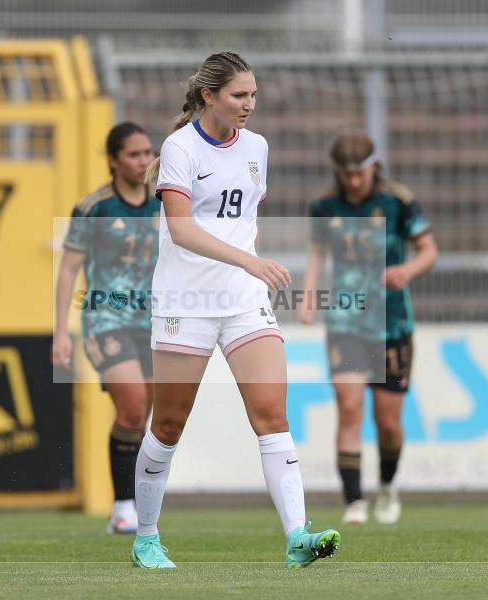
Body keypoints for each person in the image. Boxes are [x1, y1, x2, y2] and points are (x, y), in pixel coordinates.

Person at [130, 51, 341, 569]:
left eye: (253, 95)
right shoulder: (180, 148)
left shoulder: (257, 147)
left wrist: (250, 270)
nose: (249, 105)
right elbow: (181, 229)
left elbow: (242, 220)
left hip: (244, 301)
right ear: (209, 96)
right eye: (238, 96)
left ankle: (297, 536)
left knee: (271, 414)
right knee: (169, 425)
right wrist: (249, 260)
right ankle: (146, 537)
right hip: (187, 301)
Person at [299, 132, 438, 525]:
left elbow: (429, 250)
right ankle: (354, 502)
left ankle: (388, 487)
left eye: (359, 173)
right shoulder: (324, 206)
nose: (354, 181)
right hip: (346, 321)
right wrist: (309, 295)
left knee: (388, 422)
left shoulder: (398, 201)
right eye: (346, 174)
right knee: (348, 408)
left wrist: (407, 270)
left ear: (374, 166)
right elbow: (317, 254)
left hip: (392, 323)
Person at [52, 122, 160, 535]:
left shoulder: (163, 203)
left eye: (148, 153)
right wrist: (61, 332)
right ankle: (123, 506)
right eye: (134, 154)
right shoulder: (93, 208)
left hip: (151, 320)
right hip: (105, 319)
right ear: (114, 159)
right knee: (132, 405)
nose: (143, 161)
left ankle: (136, 504)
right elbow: (68, 270)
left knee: (144, 414)